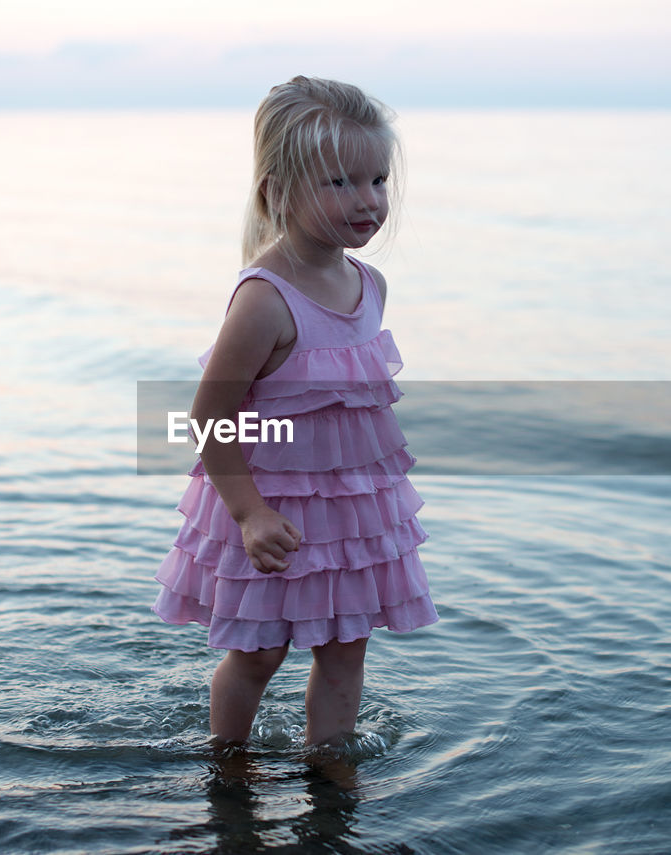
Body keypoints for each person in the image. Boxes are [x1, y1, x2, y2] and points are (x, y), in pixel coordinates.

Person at [154, 76, 437, 748]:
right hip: (269, 509)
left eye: (377, 179)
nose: (368, 201)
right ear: (277, 190)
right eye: (339, 182)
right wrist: (249, 513)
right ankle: (227, 767)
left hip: (348, 512)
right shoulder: (264, 300)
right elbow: (208, 418)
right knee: (258, 654)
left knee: (346, 651)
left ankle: (331, 775)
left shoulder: (369, 285)